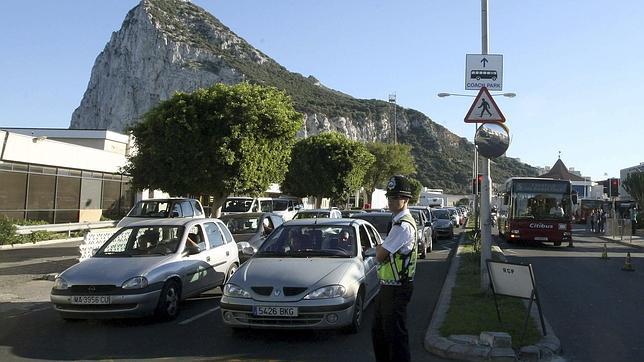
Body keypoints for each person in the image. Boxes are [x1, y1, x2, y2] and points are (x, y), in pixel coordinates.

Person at [371, 175, 417, 362]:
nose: (390, 201)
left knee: (395, 338)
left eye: (395, 198)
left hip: (397, 287)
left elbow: (380, 255)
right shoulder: (397, 222)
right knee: (380, 334)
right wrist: (381, 247)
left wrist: (379, 248)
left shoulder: (403, 226)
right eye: (389, 197)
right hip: (388, 287)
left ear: (405, 200)